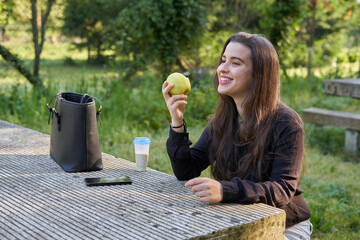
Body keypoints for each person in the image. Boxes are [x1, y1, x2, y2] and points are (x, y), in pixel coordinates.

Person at [162, 32, 312, 239]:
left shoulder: (285, 121)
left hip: (284, 227)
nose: (223, 68)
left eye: (235, 63)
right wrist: (177, 120)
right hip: (238, 220)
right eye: (223, 60)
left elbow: (283, 189)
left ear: (259, 74)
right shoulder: (223, 120)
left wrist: (225, 190)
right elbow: (186, 170)